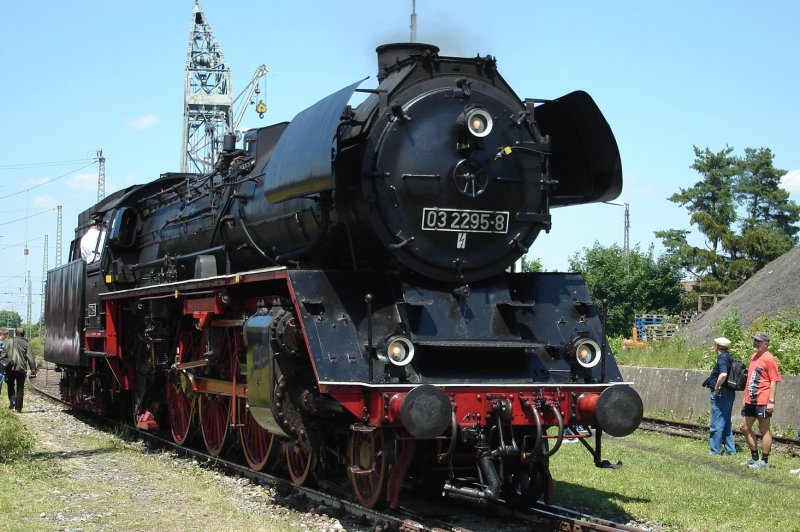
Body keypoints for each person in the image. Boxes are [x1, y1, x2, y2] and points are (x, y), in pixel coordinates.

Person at [740, 332, 781, 468]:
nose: (755, 343)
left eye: (758, 341)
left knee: (764, 430)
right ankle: (754, 458)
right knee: (744, 427)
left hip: (763, 400)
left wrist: (771, 401)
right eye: (755, 340)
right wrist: (745, 397)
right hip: (750, 400)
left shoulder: (769, 359)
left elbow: (774, 381)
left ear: (765, 344)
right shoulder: (753, 357)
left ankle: (764, 461)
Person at [706, 337, 736, 455]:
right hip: (729, 393)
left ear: (717, 346)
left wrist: (717, 387)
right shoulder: (729, 357)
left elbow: (723, 374)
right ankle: (730, 450)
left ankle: (715, 450)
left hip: (721, 393)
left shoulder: (722, 359)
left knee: (716, 423)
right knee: (726, 422)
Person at [5, 327, 36, 412]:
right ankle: (18, 408)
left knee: (10, 385)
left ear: (15, 333)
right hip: (21, 369)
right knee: (20, 388)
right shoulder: (26, 343)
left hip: (10, 368)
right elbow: (30, 357)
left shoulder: (9, 341)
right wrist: (33, 369)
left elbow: (4, 354)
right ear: (23, 334)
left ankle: (12, 402)